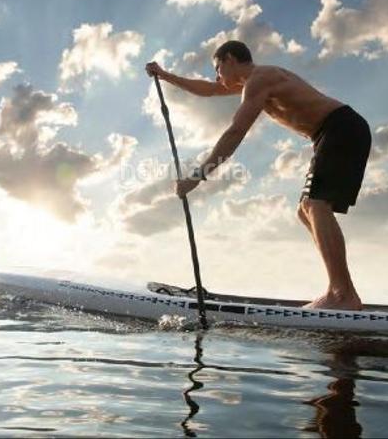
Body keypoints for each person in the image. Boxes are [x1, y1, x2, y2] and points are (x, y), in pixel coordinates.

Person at [145, 40, 371, 310]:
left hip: (340, 128)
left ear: (230, 59)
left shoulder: (260, 79)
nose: (217, 76)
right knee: (305, 210)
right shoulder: (255, 82)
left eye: (218, 68)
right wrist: (165, 75)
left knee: (315, 205)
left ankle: (342, 295)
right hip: (331, 134)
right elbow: (209, 90)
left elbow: (235, 133)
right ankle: (342, 292)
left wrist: (196, 177)